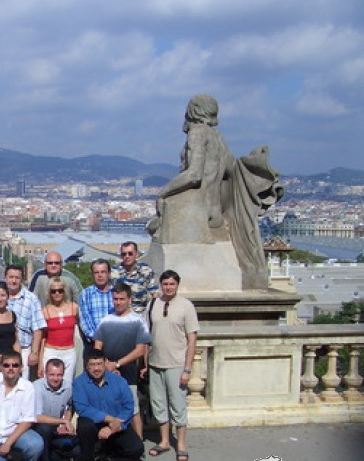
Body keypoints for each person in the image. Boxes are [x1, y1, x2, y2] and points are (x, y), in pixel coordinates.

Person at [146, 94, 283, 290]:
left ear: (192, 111)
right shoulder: (218, 138)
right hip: (215, 214)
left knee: (153, 226)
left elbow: (194, 175)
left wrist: (163, 193)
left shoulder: (197, 133)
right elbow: (230, 171)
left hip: (195, 212)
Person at [146, 270, 199, 461]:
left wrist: (187, 368)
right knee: (158, 404)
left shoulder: (186, 306)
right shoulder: (153, 304)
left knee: (178, 405)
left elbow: (192, 339)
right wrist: (145, 362)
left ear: (177, 285)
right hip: (155, 363)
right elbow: (147, 335)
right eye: (165, 284)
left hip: (176, 364)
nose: (168, 287)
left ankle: (181, 444)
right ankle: (164, 441)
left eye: (172, 284)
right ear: (161, 285)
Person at [73, 351, 144, 461]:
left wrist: (113, 428)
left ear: (105, 363)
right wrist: (109, 419)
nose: (96, 368)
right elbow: (82, 408)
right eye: (92, 365)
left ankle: (111, 452)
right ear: (86, 366)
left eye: (99, 364)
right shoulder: (79, 383)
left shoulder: (119, 381)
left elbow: (128, 407)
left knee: (136, 451)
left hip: (117, 423)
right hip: (94, 423)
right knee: (84, 424)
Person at [94, 282, 151, 439]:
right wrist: (106, 364)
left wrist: (117, 364)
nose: (118, 302)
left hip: (128, 369)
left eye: (122, 299)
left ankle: (138, 441)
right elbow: (98, 346)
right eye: (115, 299)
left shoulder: (138, 321)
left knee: (133, 408)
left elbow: (140, 350)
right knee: (107, 406)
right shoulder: (105, 320)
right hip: (107, 369)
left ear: (129, 299)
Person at [32, 358, 75, 461]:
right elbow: (37, 417)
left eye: (59, 375)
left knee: (76, 450)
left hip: (56, 426)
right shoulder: (36, 387)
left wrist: (65, 423)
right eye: (52, 375)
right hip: (38, 426)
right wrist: (63, 421)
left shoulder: (68, 387)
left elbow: (69, 407)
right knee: (44, 429)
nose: (55, 378)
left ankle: (52, 455)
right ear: (45, 373)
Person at [5, 264, 46, 380]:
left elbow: (38, 328)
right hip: (1, 349)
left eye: (17, 278)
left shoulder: (31, 299)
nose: (13, 281)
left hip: (23, 350)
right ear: (5, 278)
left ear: (22, 280)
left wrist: (34, 352)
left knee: (22, 384)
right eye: (11, 277)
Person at [39, 277, 78, 383]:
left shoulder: (74, 308)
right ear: (49, 293)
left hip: (68, 352)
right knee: (49, 383)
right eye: (54, 291)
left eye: (60, 290)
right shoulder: (45, 311)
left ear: (64, 291)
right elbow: (43, 337)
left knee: (67, 384)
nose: (57, 294)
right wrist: (40, 362)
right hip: (51, 351)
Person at [79, 259, 114, 366]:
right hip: (93, 345)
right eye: (96, 272)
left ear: (109, 274)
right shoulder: (85, 294)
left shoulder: (117, 293)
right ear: (92, 275)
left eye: (103, 272)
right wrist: (98, 339)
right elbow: (85, 321)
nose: (100, 275)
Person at [112, 242, 158, 314]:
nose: (127, 256)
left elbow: (154, 294)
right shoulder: (114, 272)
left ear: (137, 254)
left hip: (141, 314)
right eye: (124, 254)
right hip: (120, 314)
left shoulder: (146, 271)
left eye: (130, 253)